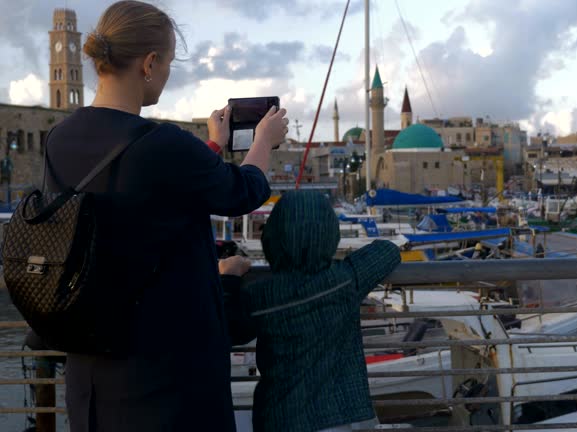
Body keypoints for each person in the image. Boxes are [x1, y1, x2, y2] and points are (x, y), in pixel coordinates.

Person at [43, 1, 288, 431]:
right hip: (166, 377)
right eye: (170, 61)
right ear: (150, 63)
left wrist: (210, 147)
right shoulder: (165, 144)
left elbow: (144, 201)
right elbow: (243, 192)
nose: (168, 72)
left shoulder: (60, 138)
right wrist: (264, 140)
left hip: (92, 376)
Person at [222, 191, 402, 432]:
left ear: (274, 236)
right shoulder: (347, 279)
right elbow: (388, 250)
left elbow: (228, 329)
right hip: (345, 414)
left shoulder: (260, 296)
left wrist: (229, 278)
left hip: (282, 418)